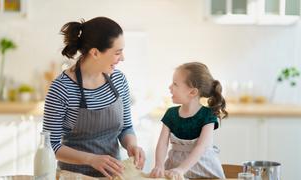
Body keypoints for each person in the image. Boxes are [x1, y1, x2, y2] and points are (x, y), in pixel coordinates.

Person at [43, 17, 145, 179]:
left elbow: (126, 127)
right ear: (95, 52)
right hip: (73, 176)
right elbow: (51, 145)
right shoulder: (61, 88)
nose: (123, 58)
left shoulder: (119, 80)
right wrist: (91, 159)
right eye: (117, 53)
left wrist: (132, 145)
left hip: (113, 175)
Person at [149, 62, 228, 179]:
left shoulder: (208, 115)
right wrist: (159, 165)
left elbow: (201, 147)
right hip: (174, 171)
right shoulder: (171, 114)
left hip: (205, 172)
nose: (170, 87)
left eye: (175, 84)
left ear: (192, 92)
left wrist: (181, 170)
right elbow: (162, 143)